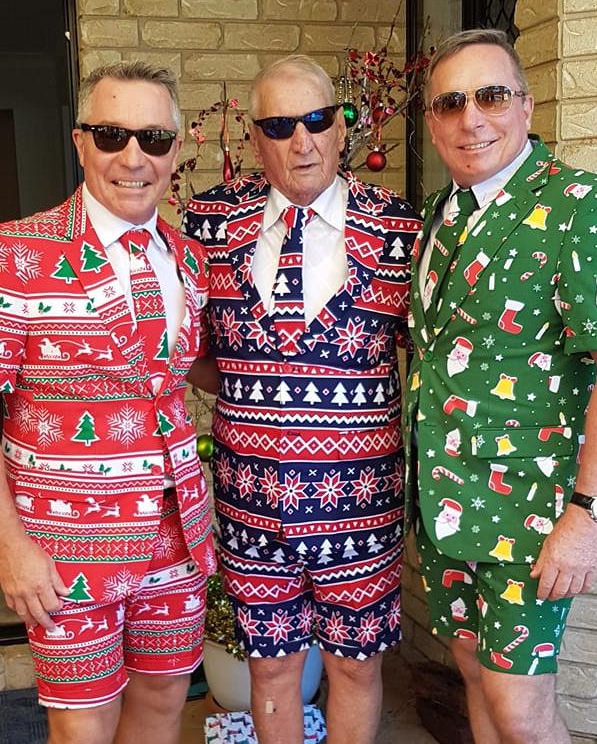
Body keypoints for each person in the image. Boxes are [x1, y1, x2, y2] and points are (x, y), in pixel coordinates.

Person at [184, 54, 420, 744]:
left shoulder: (398, 231)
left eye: (317, 119)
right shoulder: (211, 224)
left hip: (360, 504)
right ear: (255, 138)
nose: (301, 140)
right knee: (271, 671)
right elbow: (188, 348)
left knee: (353, 670)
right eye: (279, 124)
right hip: (250, 500)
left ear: (343, 128)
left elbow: (431, 357)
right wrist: (266, 392)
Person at [0, 61, 216, 744]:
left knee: (161, 705)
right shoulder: (17, 253)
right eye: (112, 134)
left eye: (153, 139)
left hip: (178, 534)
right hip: (63, 547)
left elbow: (184, 373)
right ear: (80, 141)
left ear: (174, 152)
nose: (133, 157)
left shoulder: (188, 259)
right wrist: (11, 548)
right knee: (82, 730)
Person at [404, 28, 597, 744]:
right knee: (476, 682)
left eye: (490, 96)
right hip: (447, 503)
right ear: (430, 122)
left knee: (520, 709)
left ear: (525, 104)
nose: (470, 118)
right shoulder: (439, 218)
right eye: (449, 103)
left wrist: (584, 514)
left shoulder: (576, 205)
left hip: (529, 513)